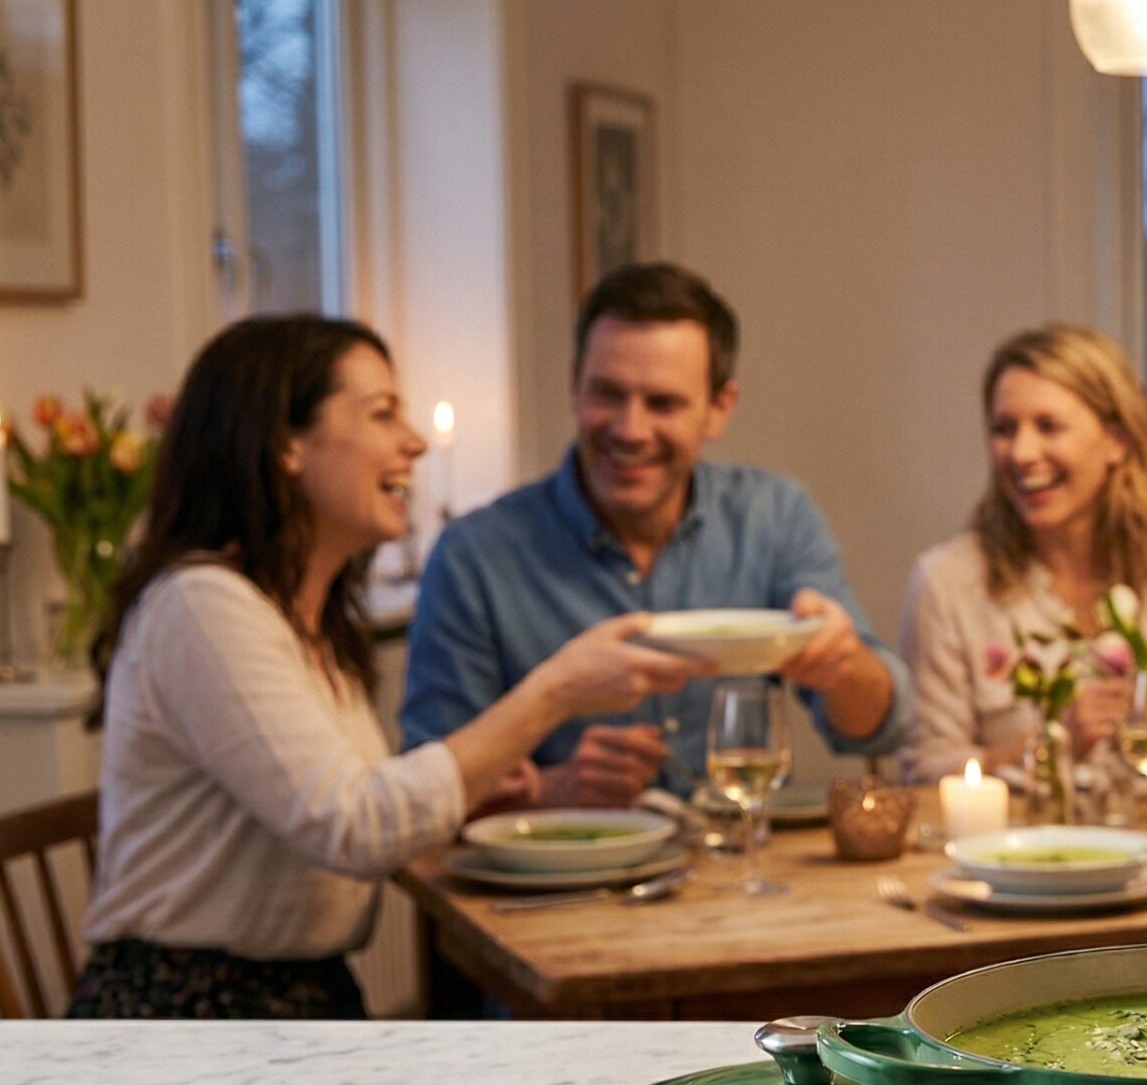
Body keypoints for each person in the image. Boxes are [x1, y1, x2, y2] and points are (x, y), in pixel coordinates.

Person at [74, 317, 705, 1018]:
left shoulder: (302, 623)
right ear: (286, 444)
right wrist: (555, 690)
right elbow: (357, 826)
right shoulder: (203, 606)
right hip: (190, 1020)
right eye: (382, 413)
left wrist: (499, 794)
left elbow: (357, 805)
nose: (415, 441)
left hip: (294, 1003)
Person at [402, 262, 908, 805]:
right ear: (574, 388)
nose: (630, 430)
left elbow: (877, 727)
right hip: (562, 881)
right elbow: (428, 792)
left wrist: (844, 663)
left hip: (738, 864)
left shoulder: (773, 515)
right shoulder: (475, 556)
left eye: (662, 403)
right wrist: (555, 788)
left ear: (719, 409)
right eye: (607, 395)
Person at [900, 324, 1147, 780]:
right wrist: (1053, 742)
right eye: (1004, 429)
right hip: (1010, 847)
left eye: (1048, 427)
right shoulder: (946, 581)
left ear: (1117, 441)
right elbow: (927, 772)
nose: (1021, 453)